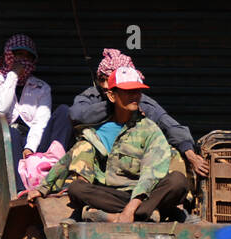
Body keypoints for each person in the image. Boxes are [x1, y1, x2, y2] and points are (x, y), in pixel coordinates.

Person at [25, 66, 190, 222]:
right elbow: (70, 157)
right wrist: (42, 188)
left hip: (144, 194)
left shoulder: (150, 130)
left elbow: (151, 174)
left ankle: (125, 214)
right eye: (128, 92)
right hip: (112, 195)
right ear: (112, 96)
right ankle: (152, 212)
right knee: (77, 189)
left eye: (137, 91)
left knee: (177, 181)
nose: (135, 96)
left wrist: (131, 209)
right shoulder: (98, 127)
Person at [70, 48, 210, 178]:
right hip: (99, 162)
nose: (107, 86)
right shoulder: (91, 96)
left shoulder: (138, 101)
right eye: (103, 80)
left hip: (132, 164)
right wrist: (114, 105)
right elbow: (76, 115)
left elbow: (170, 126)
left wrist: (191, 155)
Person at [0, 34, 71, 192]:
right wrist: (13, 75)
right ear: (9, 56)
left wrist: (30, 147)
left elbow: (40, 122)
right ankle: (19, 188)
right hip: (5, 141)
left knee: (64, 111)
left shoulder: (41, 87)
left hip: (32, 141)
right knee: (13, 133)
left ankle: (55, 175)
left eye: (27, 56)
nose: (22, 60)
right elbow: (1, 107)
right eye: (18, 55)